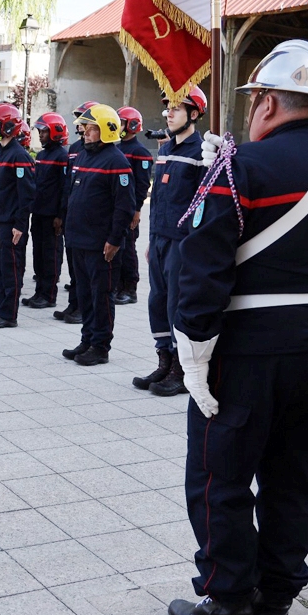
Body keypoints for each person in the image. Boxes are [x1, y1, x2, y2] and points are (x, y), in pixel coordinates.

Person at [165, 40, 308, 615]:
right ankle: (275, 606)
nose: (253, 108)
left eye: (256, 98)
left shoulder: (241, 167)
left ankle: (230, 604)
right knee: (295, 477)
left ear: (271, 102)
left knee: (219, 474)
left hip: (254, 348)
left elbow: (200, 264)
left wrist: (194, 349)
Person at [134, 86, 207, 396]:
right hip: (161, 240)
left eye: (177, 108)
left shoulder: (202, 153)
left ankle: (181, 370)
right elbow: (161, 199)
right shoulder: (164, 149)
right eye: (168, 107)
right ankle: (164, 360)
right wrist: (152, 240)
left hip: (182, 242)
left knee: (178, 304)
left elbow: (204, 206)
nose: (169, 112)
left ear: (194, 113)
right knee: (157, 302)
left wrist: (193, 246)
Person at [61, 104, 135, 365]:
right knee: (84, 293)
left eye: (90, 129)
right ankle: (87, 339)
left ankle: (100, 346)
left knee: (101, 296)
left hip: (101, 245)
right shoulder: (83, 156)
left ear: (106, 130)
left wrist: (114, 239)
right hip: (79, 240)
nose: (85, 133)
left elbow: (124, 206)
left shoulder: (117, 161)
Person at [0, 104, 36, 328]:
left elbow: (27, 194)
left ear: (6, 126)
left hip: (10, 224)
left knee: (10, 268)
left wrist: (20, 225)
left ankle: (8, 315)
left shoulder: (19, 156)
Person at [24, 112, 70, 309]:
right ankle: (39, 292)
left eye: (44, 131)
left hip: (52, 215)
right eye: (40, 132)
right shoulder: (41, 155)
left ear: (55, 132)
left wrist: (60, 215)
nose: (40, 135)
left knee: (51, 255)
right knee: (38, 253)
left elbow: (64, 188)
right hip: (39, 213)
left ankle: (49, 295)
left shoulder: (62, 156)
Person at [54, 102, 94, 325]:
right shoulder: (75, 149)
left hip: (88, 221)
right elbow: (67, 182)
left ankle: (82, 307)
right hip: (71, 211)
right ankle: (74, 303)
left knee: (85, 270)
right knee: (73, 265)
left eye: (85, 120)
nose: (81, 126)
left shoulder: (96, 150)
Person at [115, 106, 152, 305]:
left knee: (128, 250)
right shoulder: (117, 148)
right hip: (116, 209)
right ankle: (118, 286)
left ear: (132, 125)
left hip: (130, 210)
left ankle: (130, 289)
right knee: (117, 249)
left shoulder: (140, 152)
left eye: (121, 122)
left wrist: (137, 210)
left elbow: (142, 184)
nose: (118, 126)